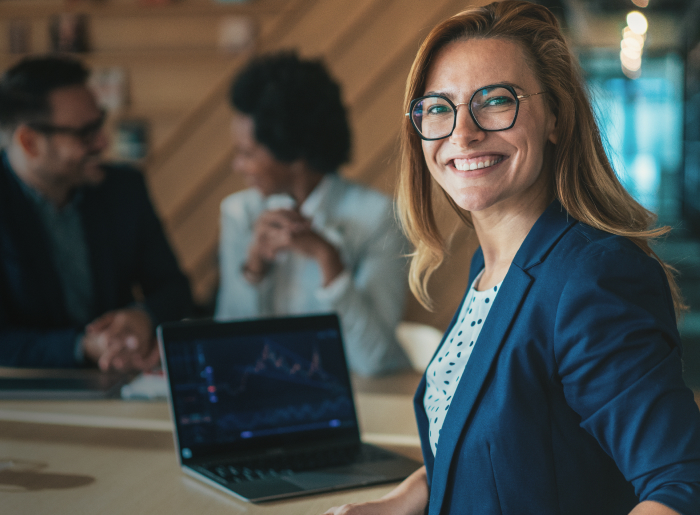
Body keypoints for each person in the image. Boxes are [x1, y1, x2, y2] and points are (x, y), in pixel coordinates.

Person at [323, 1, 700, 514]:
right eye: (437, 107)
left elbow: (680, 483)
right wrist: (394, 503)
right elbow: (493, 443)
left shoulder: (592, 276)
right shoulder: (492, 265)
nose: (462, 133)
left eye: (495, 101)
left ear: (555, 117)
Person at [215, 52, 410, 376]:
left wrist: (328, 258)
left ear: (296, 155)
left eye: (247, 154)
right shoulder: (239, 214)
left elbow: (373, 359)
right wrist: (253, 268)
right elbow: (227, 352)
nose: (238, 167)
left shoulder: (378, 218)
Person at [0, 55, 192, 371]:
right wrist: (83, 346)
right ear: (29, 142)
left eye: (99, 122)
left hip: (122, 383)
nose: (103, 142)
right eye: (85, 133)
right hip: (24, 399)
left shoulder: (123, 188)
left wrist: (143, 317)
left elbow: (174, 289)